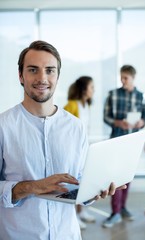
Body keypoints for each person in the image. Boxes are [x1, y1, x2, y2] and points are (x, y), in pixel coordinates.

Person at [0, 40, 121, 240]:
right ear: (21, 76)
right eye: (33, 70)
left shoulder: (76, 127)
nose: (42, 78)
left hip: (67, 234)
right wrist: (35, 186)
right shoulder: (3, 126)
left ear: (57, 76)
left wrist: (94, 191)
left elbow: (79, 181)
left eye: (50, 70)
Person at [103, 65, 145, 228]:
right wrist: (117, 122)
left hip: (132, 143)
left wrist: (141, 122)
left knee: (128, 177)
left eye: (125, 78)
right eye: (121, 77)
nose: (122, 80)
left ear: (133, 78)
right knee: (115, 178)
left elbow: (144, 118)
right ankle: (115, 213)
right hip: (116, 141)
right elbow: (106, 117)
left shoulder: (141, 96)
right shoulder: (112, 95)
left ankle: (122, 208)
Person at [64, 76, 95, 229]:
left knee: (85, 181)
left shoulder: (86, 105)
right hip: (73, 151)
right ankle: (74, 215)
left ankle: (82, 212)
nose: (93, 91)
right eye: (91, 87)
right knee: (75, 183)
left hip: (84, 148)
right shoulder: (71, 105)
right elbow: (62, 128)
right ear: (84, 89)